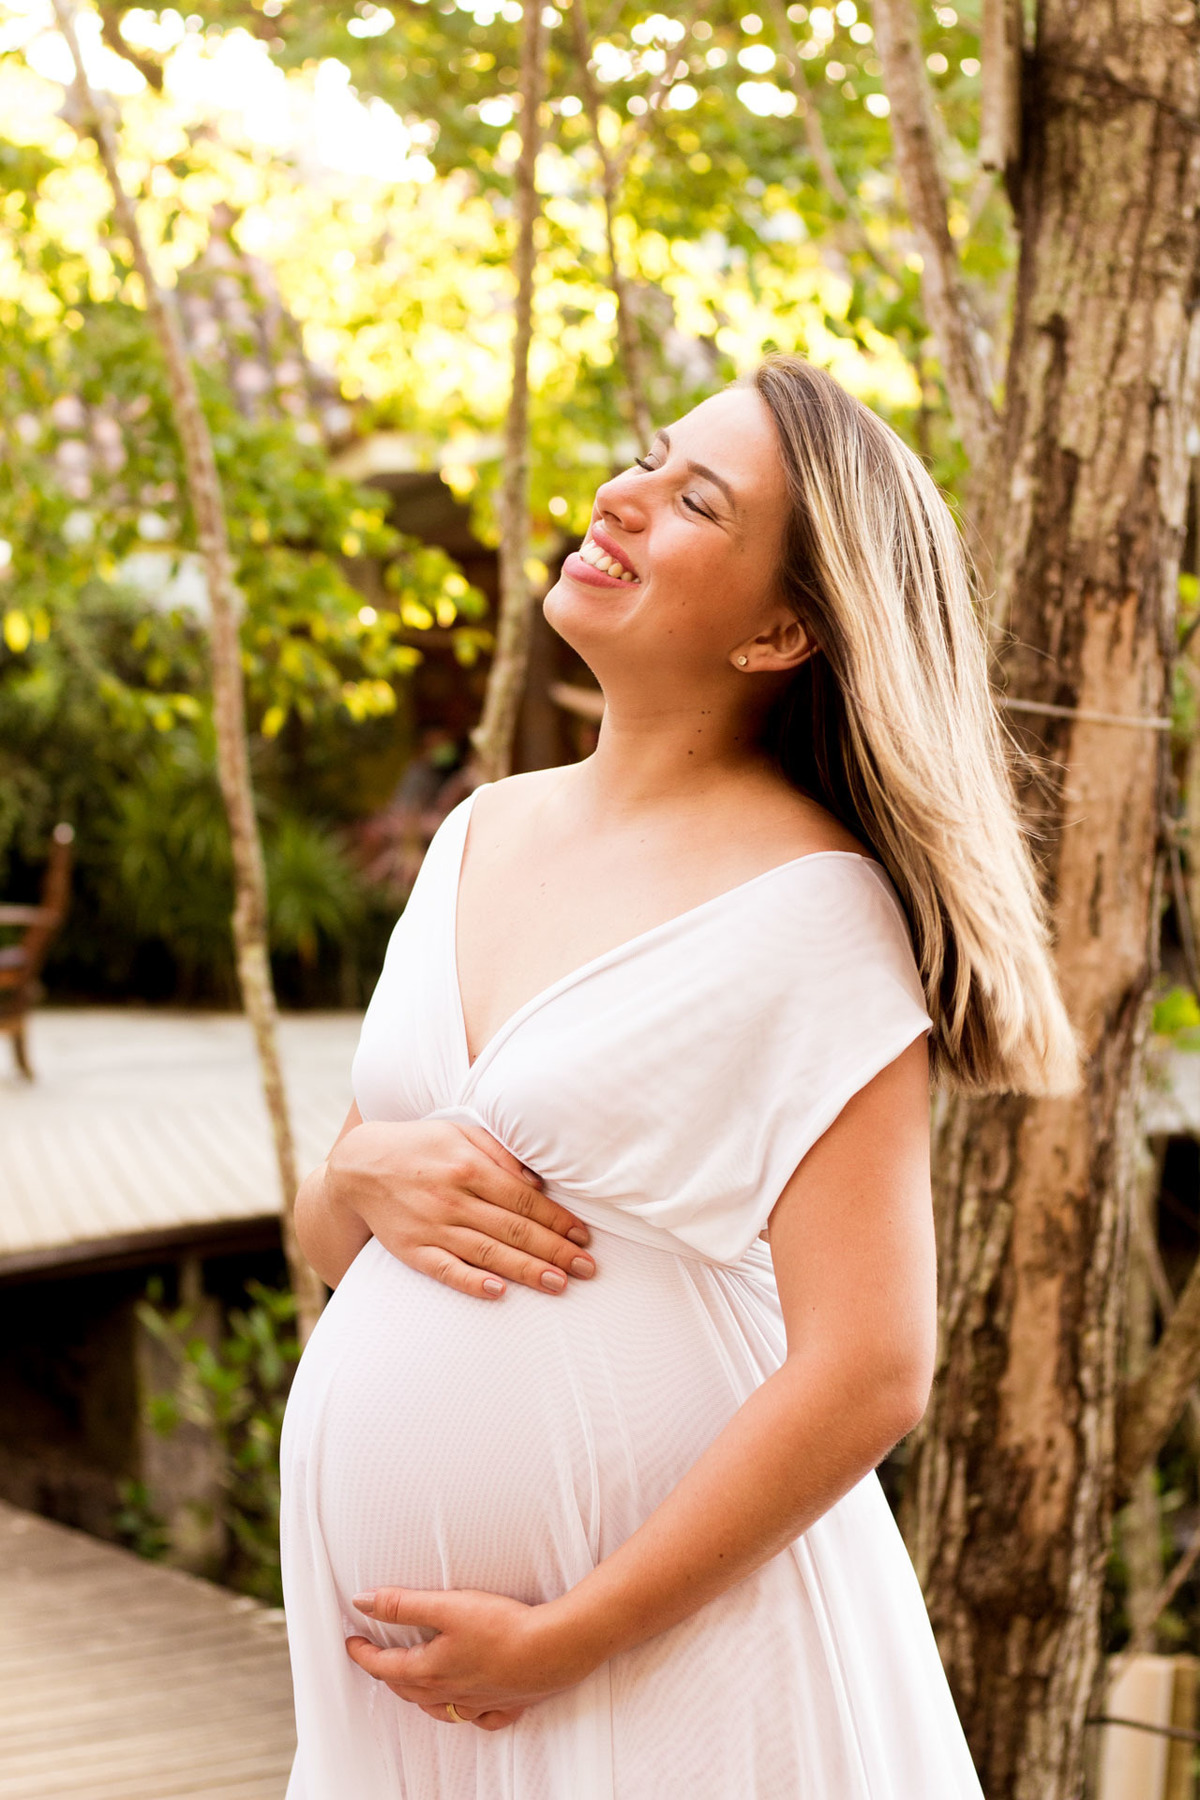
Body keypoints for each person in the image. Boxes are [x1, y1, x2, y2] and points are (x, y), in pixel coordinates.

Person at [280, 355, 1078, 1798]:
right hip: (410, 1705)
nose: (623, 495)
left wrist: (568, 1638)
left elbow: (872, 1366)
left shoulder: (816, 911)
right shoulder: (479, 832)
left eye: (697, 499)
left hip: (661, 1673)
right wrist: (356, 1168)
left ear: (780, 630)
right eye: (647, 457)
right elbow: (339, 1243)